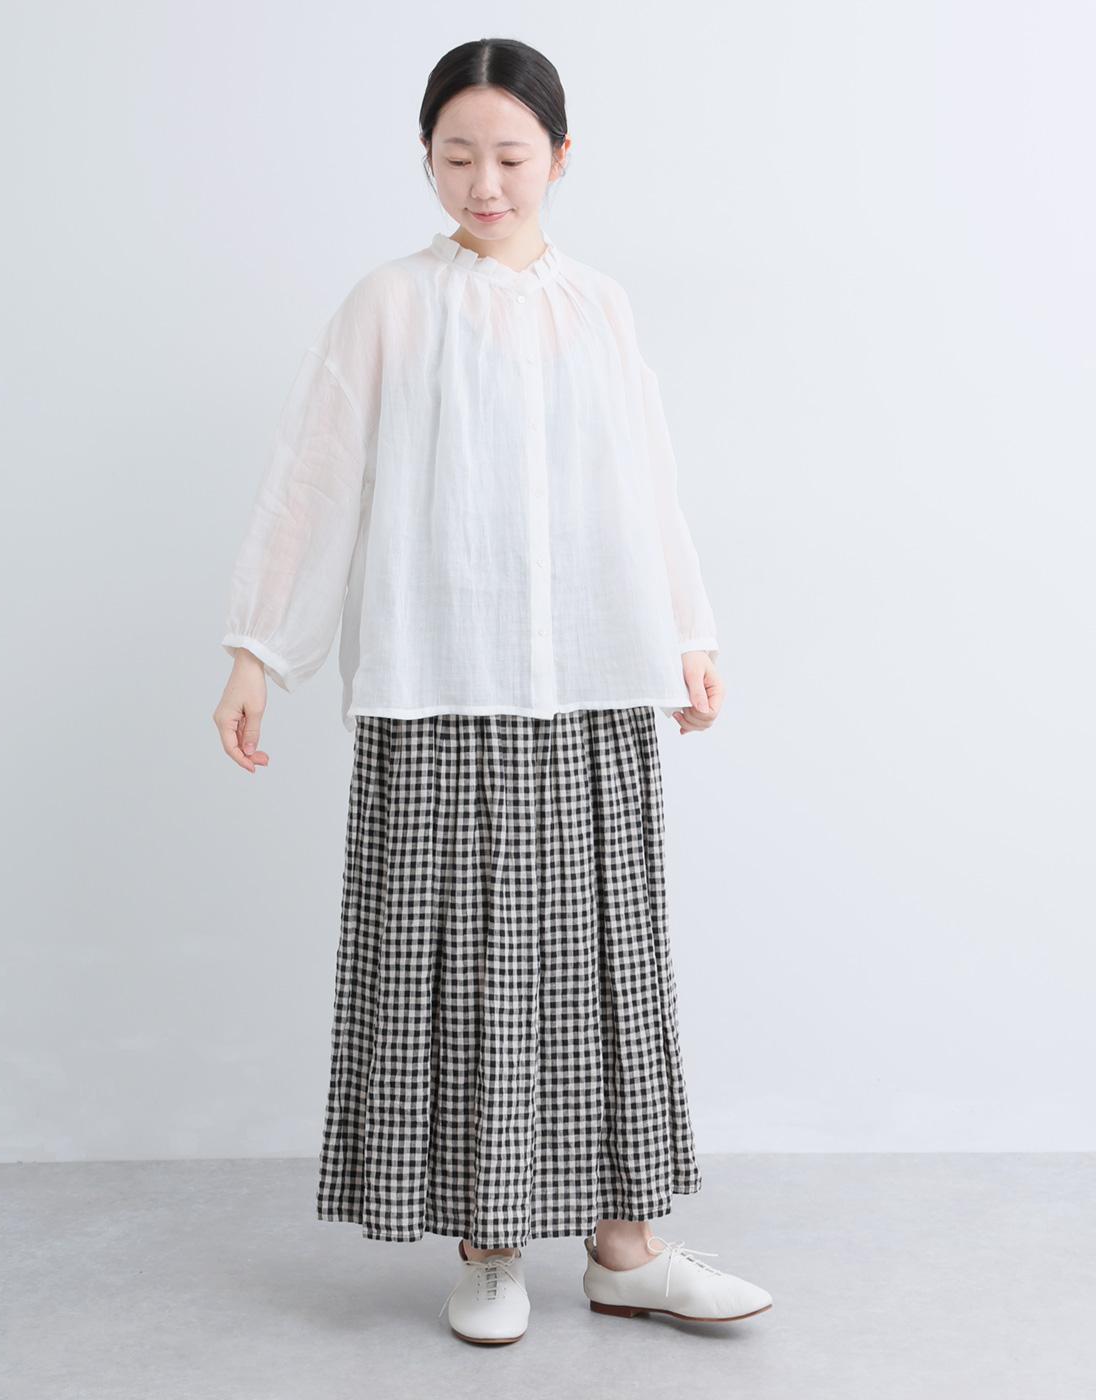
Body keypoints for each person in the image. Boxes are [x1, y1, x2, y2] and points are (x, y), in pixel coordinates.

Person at [212, 36, 772, 1346]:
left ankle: (626, 1249)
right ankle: (487, 1244)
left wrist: (689, 632)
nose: (484, 182)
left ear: (560, 159)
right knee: (466, 967)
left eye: (511, 156)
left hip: (590, 681)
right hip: (442, 682)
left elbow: (644, 476)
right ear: (426, 159)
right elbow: (316, 475)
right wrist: (258, 650)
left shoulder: (601, 307)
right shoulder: (390, 305)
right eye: (456, 155)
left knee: (607, 967)